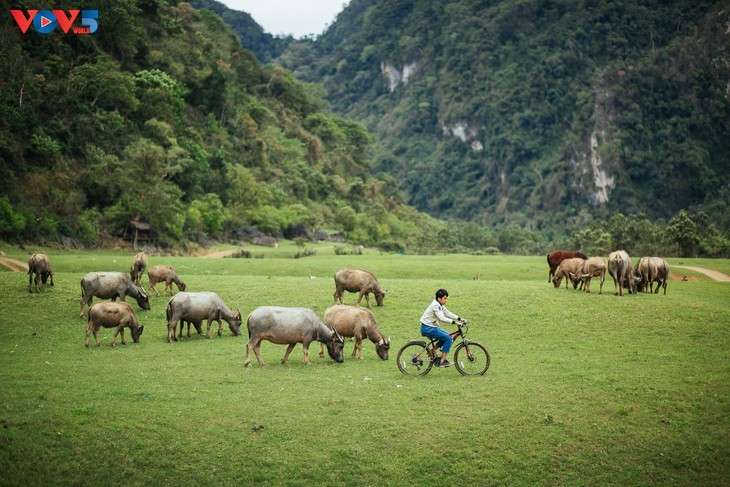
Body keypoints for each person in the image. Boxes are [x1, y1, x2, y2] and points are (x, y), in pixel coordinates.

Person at [419, 289, 465, 367]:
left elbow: (447, 313)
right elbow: (442, 318)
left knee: (447, 335)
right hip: (428, 329)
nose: (445, 300)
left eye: (446, 298)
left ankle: (432, 350)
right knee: (448, 338)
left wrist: (460, 318)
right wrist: (455, 322)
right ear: (439, 298)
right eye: (444, 298)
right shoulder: (436, 305)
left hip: (431, 327)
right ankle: (442, 361)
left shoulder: (439, 305)